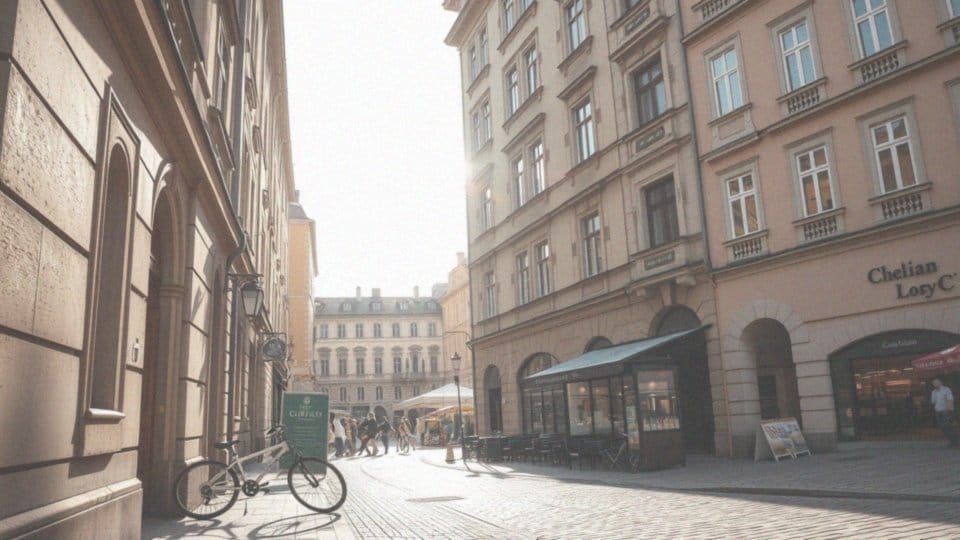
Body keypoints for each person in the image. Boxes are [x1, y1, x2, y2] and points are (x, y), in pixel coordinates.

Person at [931, 378, 958, 448]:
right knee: (943, 427)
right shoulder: (933, 392)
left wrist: (948, 410)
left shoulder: (946, 390)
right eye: (934, 383)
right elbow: (933, 402)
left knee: (948, 426)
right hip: (938, 412)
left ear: (941, 383)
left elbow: (950, 399)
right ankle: (952, 441)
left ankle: (955, 441)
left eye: (936, 382)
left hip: (945, 411)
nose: (935, 384)